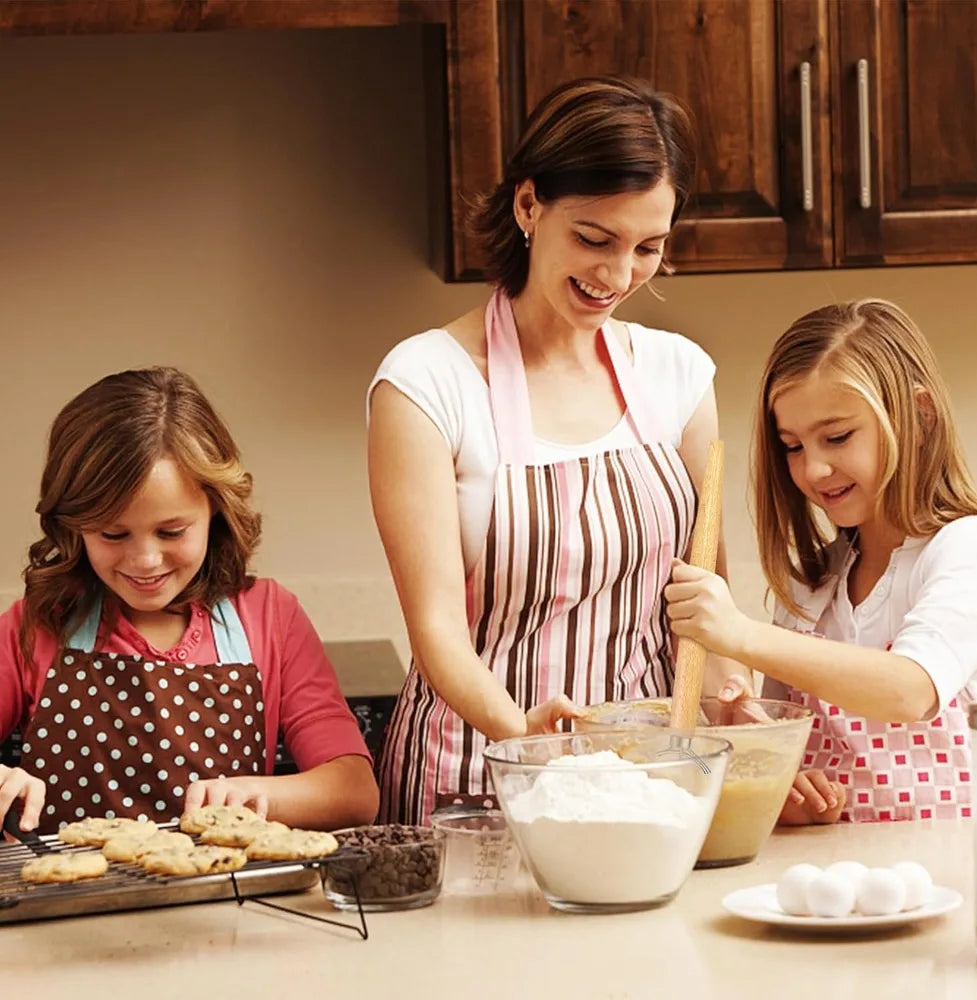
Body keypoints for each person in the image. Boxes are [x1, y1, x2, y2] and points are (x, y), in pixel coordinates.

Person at [367, 76, 751, 825]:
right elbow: (437, 630)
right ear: (527, 205)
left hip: (645, 780)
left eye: (648, 248)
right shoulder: (426, 383)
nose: (617, 276)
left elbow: (705, 598)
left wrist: (731, 705)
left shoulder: (677, 374)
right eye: (594, 239)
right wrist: (529, 741)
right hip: (474, 777)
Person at [0, 367, 378, 834]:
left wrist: (251, 796)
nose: (145, 560)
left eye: (171, 531)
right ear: (74, 525)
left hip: (225, 884)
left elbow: (355, 792)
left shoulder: (270, 617)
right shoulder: (36, 625)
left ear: (215, 508)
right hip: (63, 884)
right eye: (113, 534)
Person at [666, 299, 977, 824]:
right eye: (793, 446)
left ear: (920, 416)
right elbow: (783, 748)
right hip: (825, 865)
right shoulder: (812, 583)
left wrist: (739, 634)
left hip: (951, 864)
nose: (814, 469)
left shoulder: (967, 548)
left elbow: (909, 689)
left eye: (837, 437)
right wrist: (776, 772)